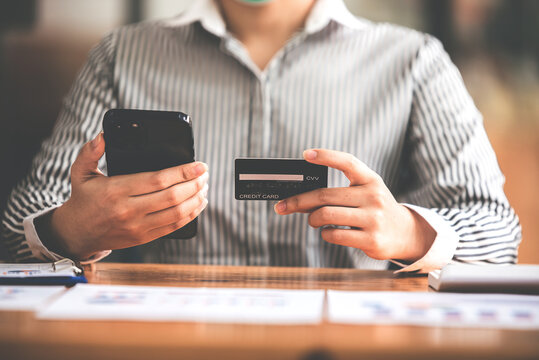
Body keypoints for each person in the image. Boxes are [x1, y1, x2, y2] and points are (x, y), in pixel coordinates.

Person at [1, 0, 521, 272]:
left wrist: (407, 232)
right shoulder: (121, 55)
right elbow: (13, 232)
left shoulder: (415, 61)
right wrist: (72, 228)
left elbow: (498, 235)